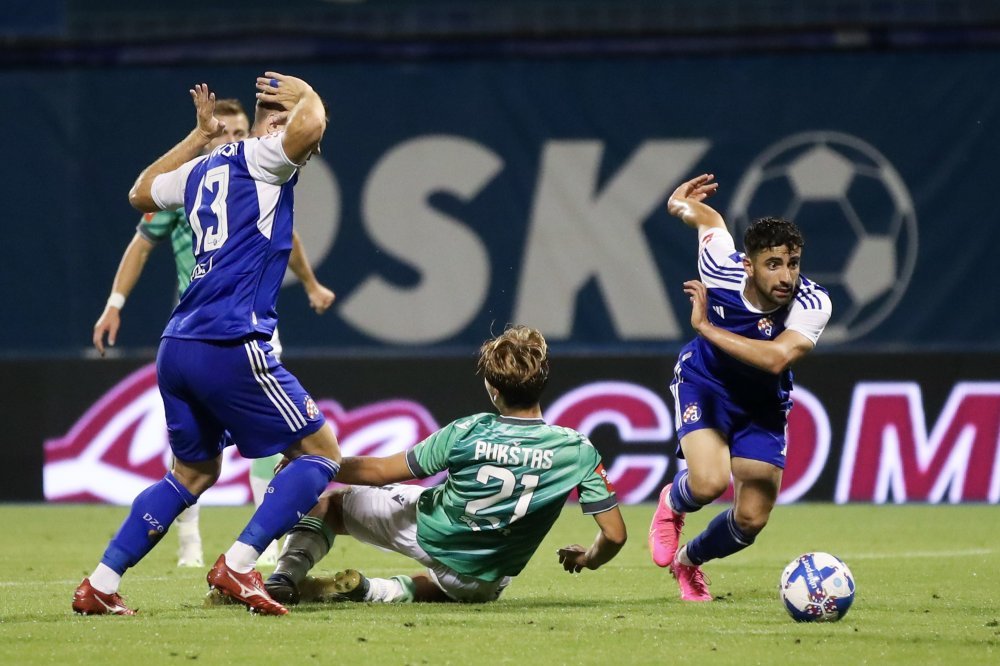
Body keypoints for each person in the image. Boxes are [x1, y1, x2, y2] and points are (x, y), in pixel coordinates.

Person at [72, 74, 341, 616]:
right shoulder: (264, 156)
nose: (307, 146)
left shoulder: (201, 168)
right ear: (272, 126)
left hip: (179, 344)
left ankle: (101, 583)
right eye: (289, 130)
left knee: (192, 473)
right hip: (229, 340)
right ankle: (240, 564)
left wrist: (196, 138)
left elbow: (140, 191)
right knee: (320, 454)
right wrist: (304, 90)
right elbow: (309, 121)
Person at [254, 325, 626, 605]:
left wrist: (316, 459)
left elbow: (380, 471)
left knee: (330, 506)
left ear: (493, 389)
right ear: (543, 381)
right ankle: (372, 591)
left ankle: (285, 577)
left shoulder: (467, 431)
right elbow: (614, 534)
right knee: (462, 585)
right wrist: (588, 558)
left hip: (431, 535)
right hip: (485, 580)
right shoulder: (576, 449)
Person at [647, 173, 832, 602]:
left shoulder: (812, 302)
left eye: (793, 263)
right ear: (748, 265)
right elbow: (707, 219)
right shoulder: (719, 267)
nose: (787, 276)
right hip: (704, 384)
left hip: (763, 403)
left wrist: (705, 328)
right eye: (773, 264)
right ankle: (673, 504)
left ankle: (689, 562)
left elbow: (776, 358)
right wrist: (678, 202)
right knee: (709, 483)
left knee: (750, 520)